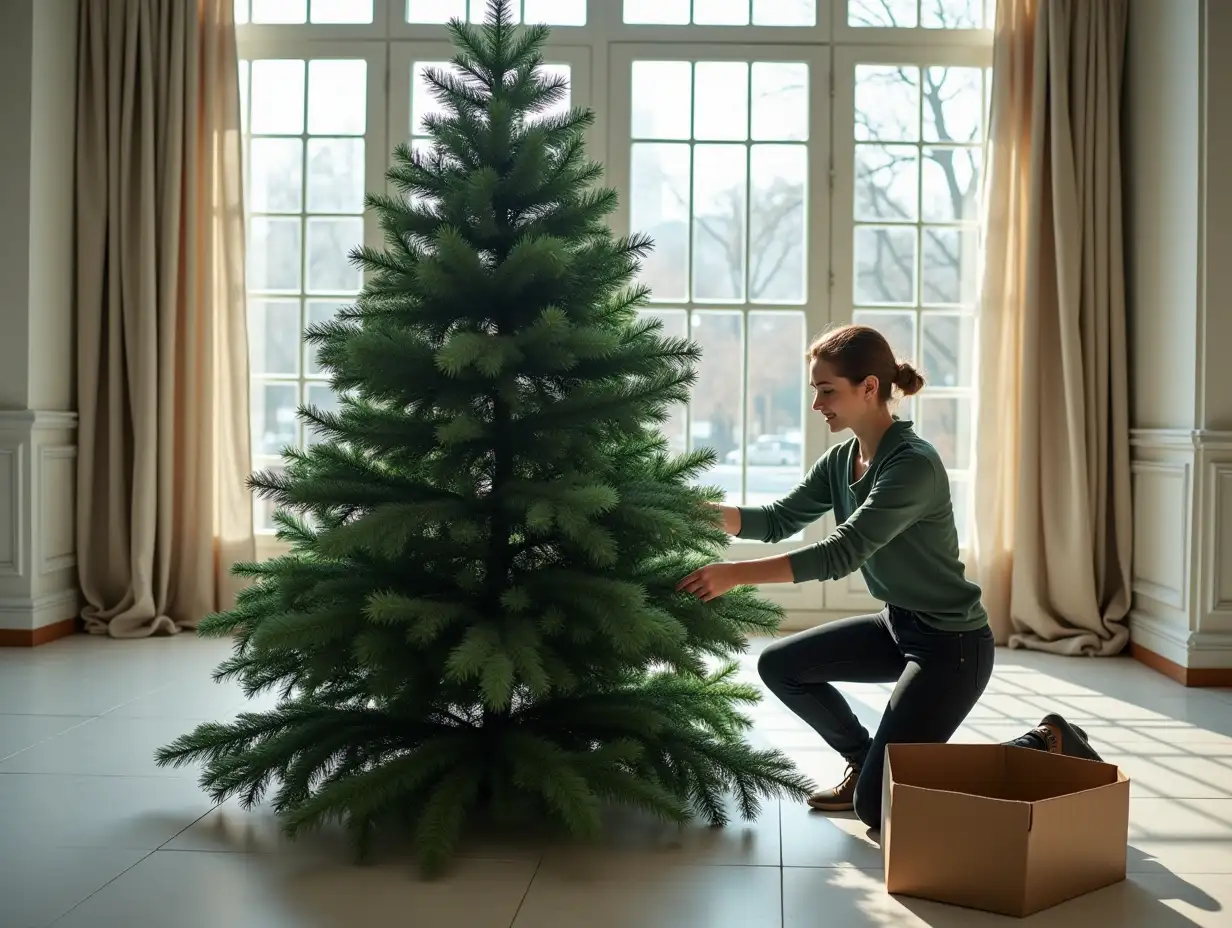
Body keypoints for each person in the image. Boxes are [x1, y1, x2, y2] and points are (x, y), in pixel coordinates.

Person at [676, 324, 1103, 830]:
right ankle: (867, 762)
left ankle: (1042, 742)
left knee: (877, 810)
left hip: (952, 647)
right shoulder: (843, 460)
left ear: (869, 388)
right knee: (779, 665)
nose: (817, 404)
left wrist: (734, 575)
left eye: (826, 390)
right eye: (816, 389)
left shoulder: (912, 465)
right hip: (897, 626)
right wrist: (688, 511)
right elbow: (777, 520)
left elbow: (845, 551)